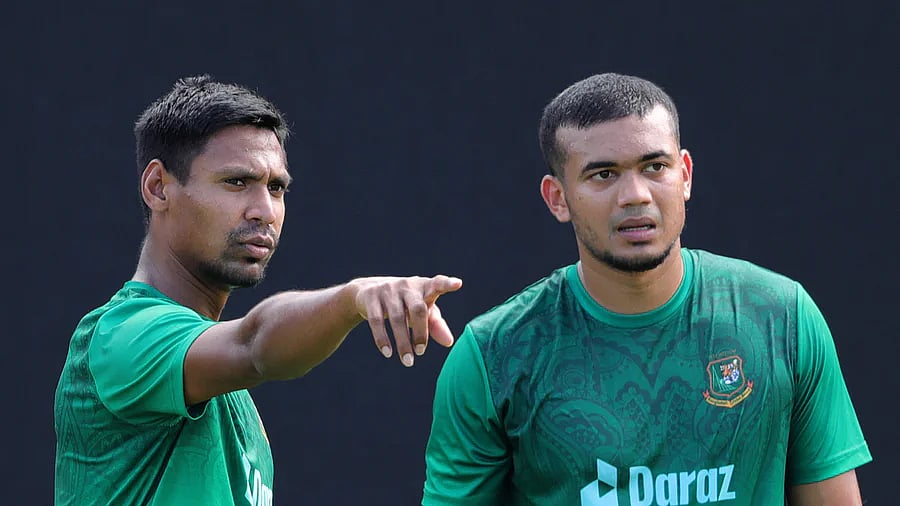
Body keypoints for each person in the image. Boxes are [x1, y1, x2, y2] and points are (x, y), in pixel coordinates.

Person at [422, 73, 871, 505]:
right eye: (603, 175)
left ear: (685, 174)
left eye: (654, 166)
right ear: (557, 198)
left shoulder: (782, 317)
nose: (635, 194)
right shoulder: (494, 354)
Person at [54, 75, 462, 506]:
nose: (265, 210)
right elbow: (255, 345)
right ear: (158, 188)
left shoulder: (233, 400)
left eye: (276, 188)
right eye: (236, 182)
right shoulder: (122, 336)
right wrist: (352, 298)